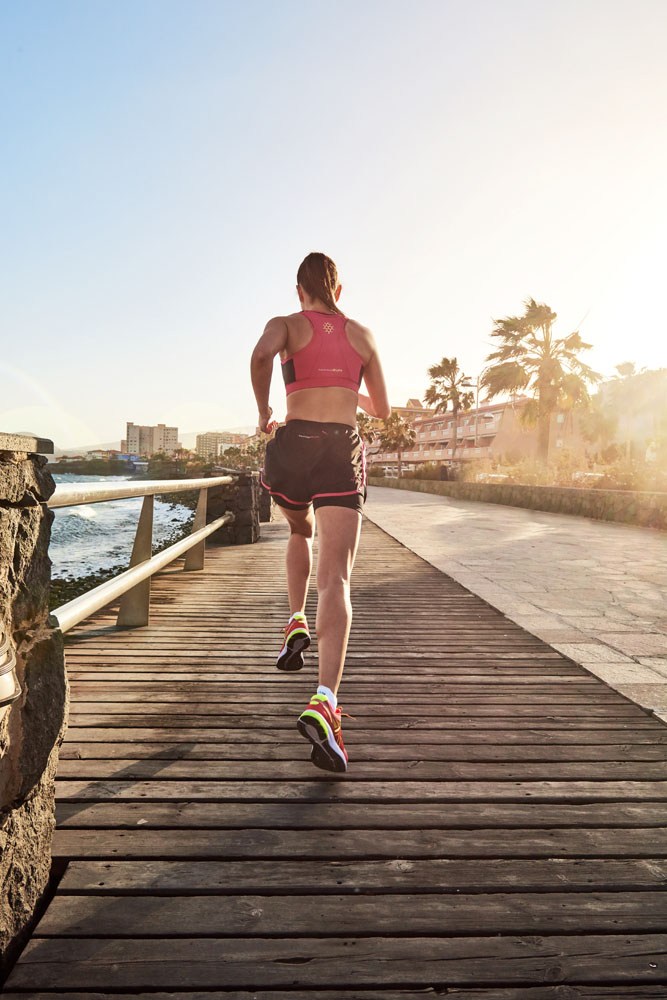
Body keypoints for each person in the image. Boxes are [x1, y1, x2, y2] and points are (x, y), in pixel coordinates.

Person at [250, 252, 391, 772]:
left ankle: (293, 620)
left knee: (298, 529)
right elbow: (382, 408)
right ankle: (325, 701)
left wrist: (266, 410)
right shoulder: (362, 336)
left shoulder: (284, 325)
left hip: (293, 446)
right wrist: (346, 389)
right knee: (337, 579)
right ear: (339, 288)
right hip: (338, 451)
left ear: (299, 290)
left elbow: (261, 357)